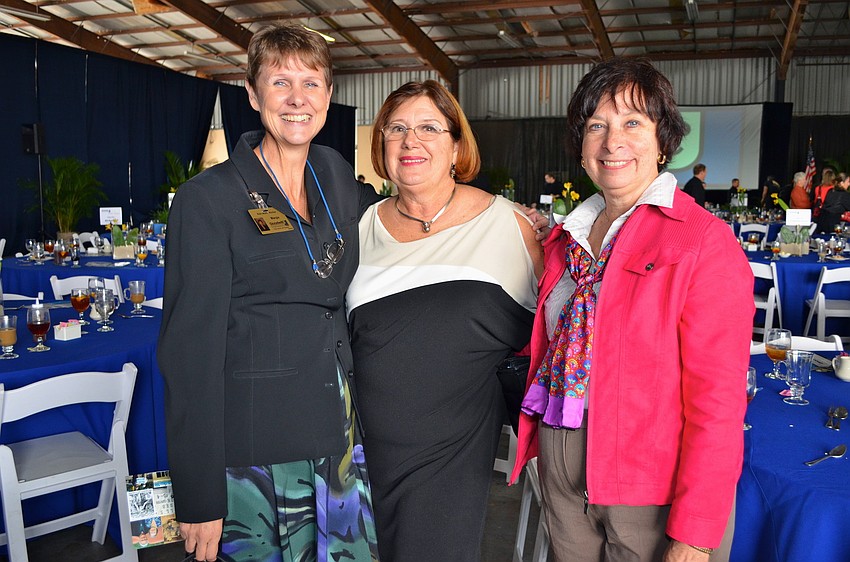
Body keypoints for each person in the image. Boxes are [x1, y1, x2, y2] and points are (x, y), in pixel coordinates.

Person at [512, 58, 754, 562]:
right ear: (581, 147)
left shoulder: (703, 242)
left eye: (632, 123)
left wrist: (695, 534)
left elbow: (718, 401)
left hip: (649, 489)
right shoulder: (566, 240)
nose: (612, 141)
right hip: (562, 471)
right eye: (596, 126)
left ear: (663, 141)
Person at [158, 24, 382, 562]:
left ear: (329, 95)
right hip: (259, 452)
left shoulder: (335, 174)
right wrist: (198, 495)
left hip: (339, 438)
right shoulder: (207, 201)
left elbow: (397, 217)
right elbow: (189, 359)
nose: (297, 99)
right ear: (254, 95)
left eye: (311, 83)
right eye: (281, 82)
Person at [346, 80, 544, 562]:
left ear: (456, 146)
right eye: (396, 129)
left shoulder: (509, 226)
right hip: (356, 459)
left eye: (429, 128)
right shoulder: (359, 229)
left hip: (451, 460)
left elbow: (557, 328)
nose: (410, 141)